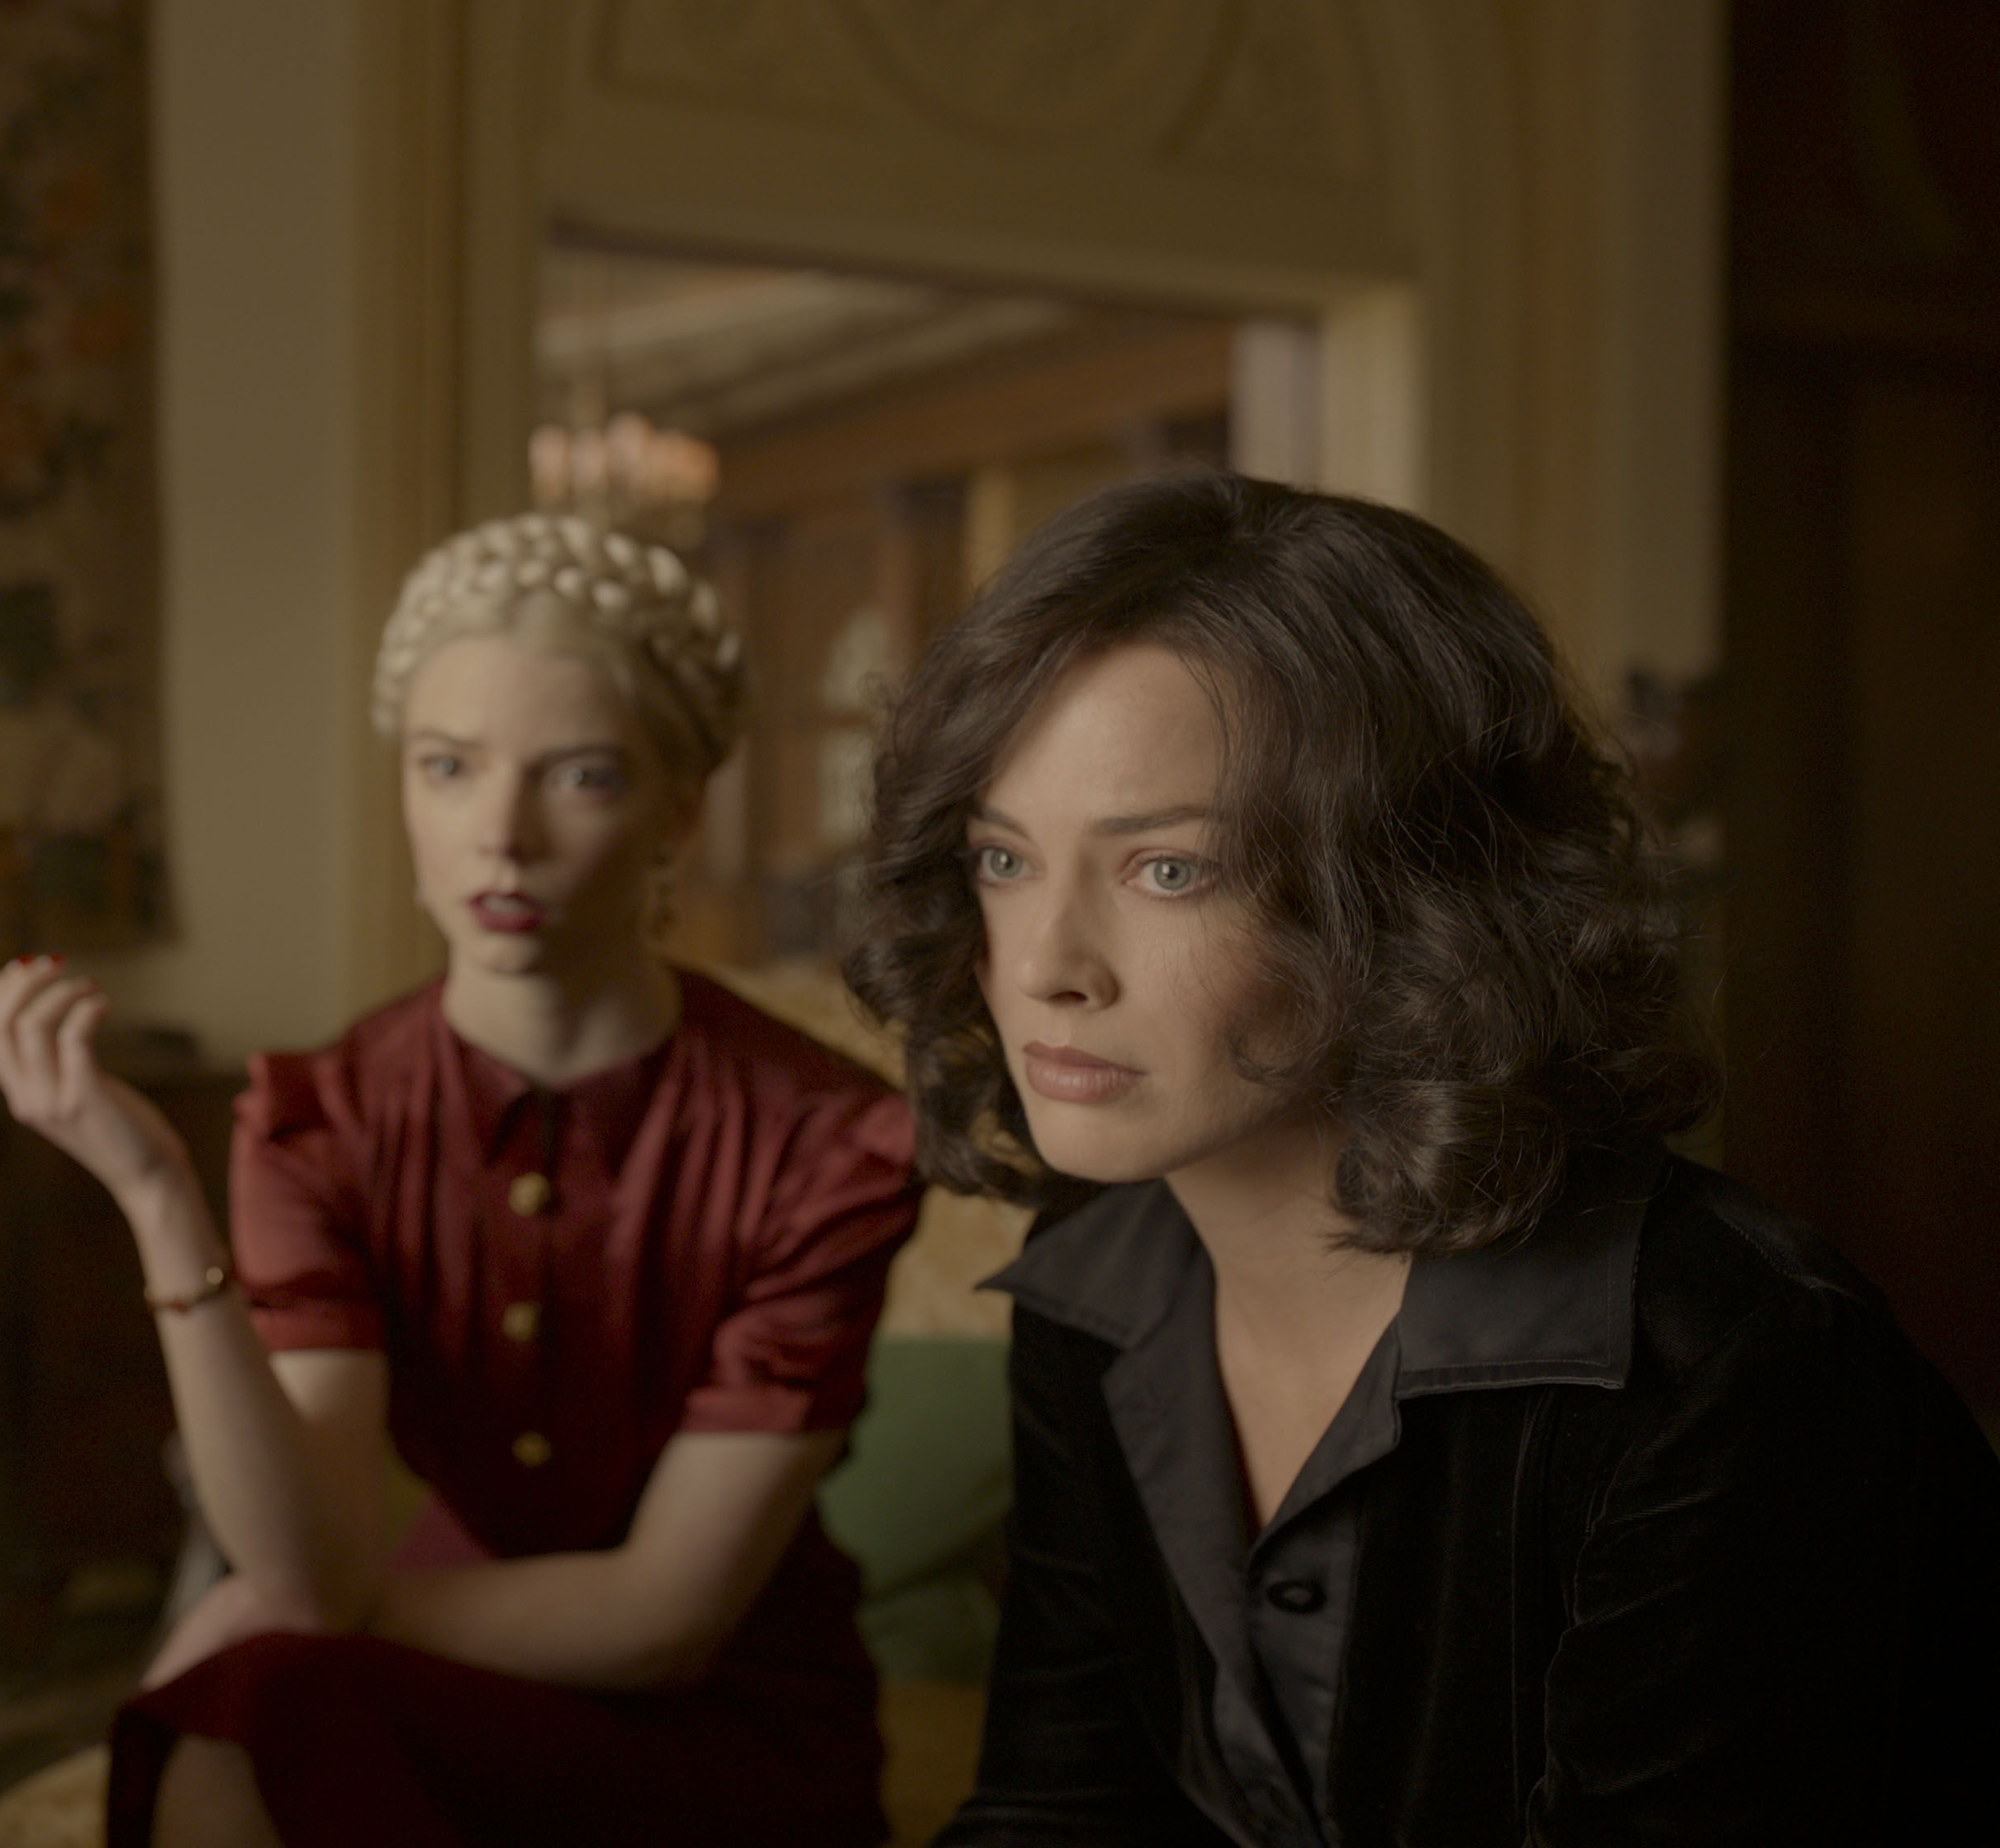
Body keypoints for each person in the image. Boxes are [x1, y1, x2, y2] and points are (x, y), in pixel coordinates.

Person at [843, 471, 2000, 1846]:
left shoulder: (1737, 1362)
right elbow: (1062, 1807)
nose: (1045, 968)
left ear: (1411, 897)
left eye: (1169, 870)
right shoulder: (1092, 1290)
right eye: (1002, 860)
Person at [0, 515, 919, 1848]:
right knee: (237, 1723)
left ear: (678, 810)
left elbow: (666, 1618)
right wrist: (158, 1197)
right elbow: (310, 1557)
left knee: (251, 1682)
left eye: (581, 776)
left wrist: (306, 1610)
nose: (501, 836)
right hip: (452, 1674)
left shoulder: (826, 1139)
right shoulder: (325, 1115)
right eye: (450, 768)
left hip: (727, 1723)